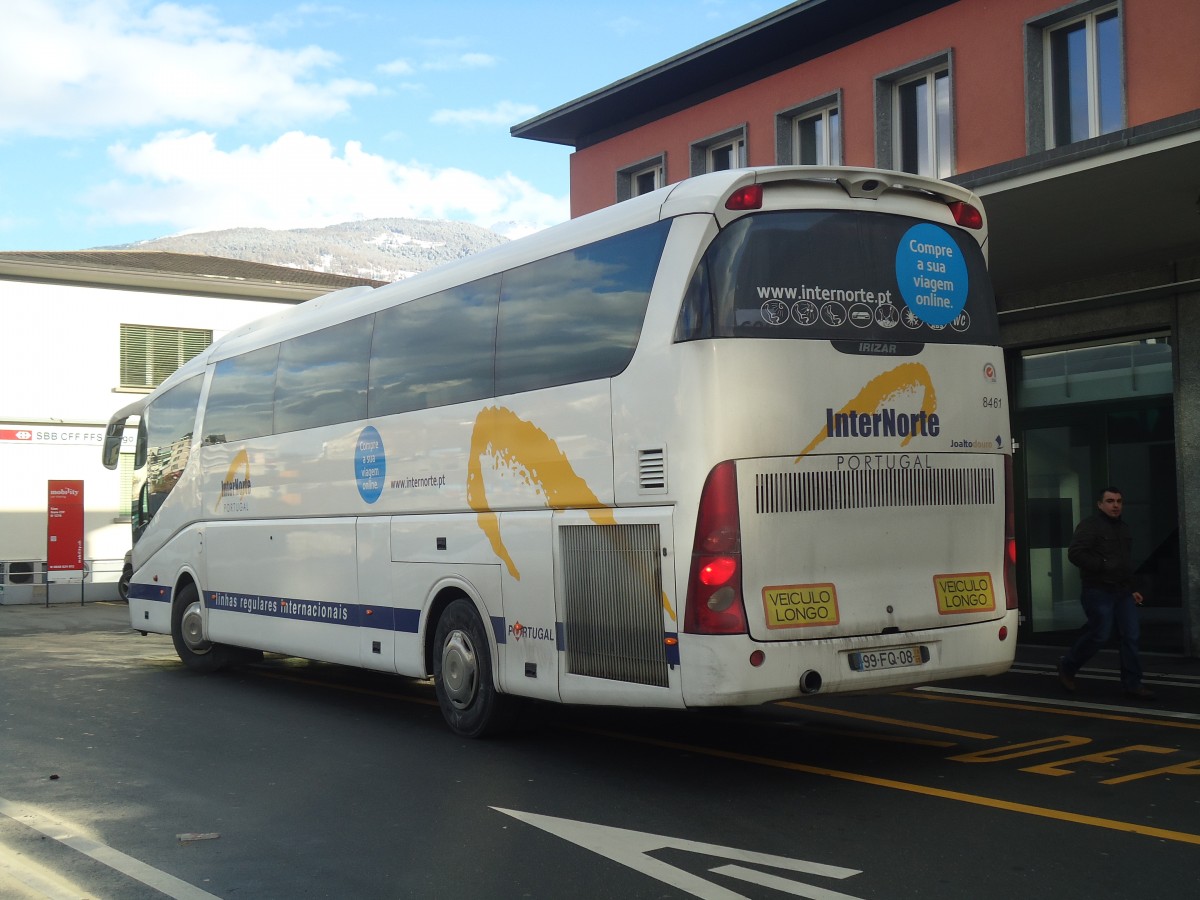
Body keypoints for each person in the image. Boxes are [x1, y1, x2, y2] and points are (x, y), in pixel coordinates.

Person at [1057, 486, 1155, 700]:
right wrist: (1102, 565)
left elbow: (1125, 563)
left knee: (1131, 636)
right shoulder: (1090, 526)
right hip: (1097, 589)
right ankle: (1068, 665)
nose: (1116, 505)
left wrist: (1132, 588)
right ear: (1100, 504)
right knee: (1100, 635)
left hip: (1121, 591)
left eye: (1119, 501)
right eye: (1110, 501)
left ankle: (1132, 684)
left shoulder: (1124, 528)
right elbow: (1075, 553)